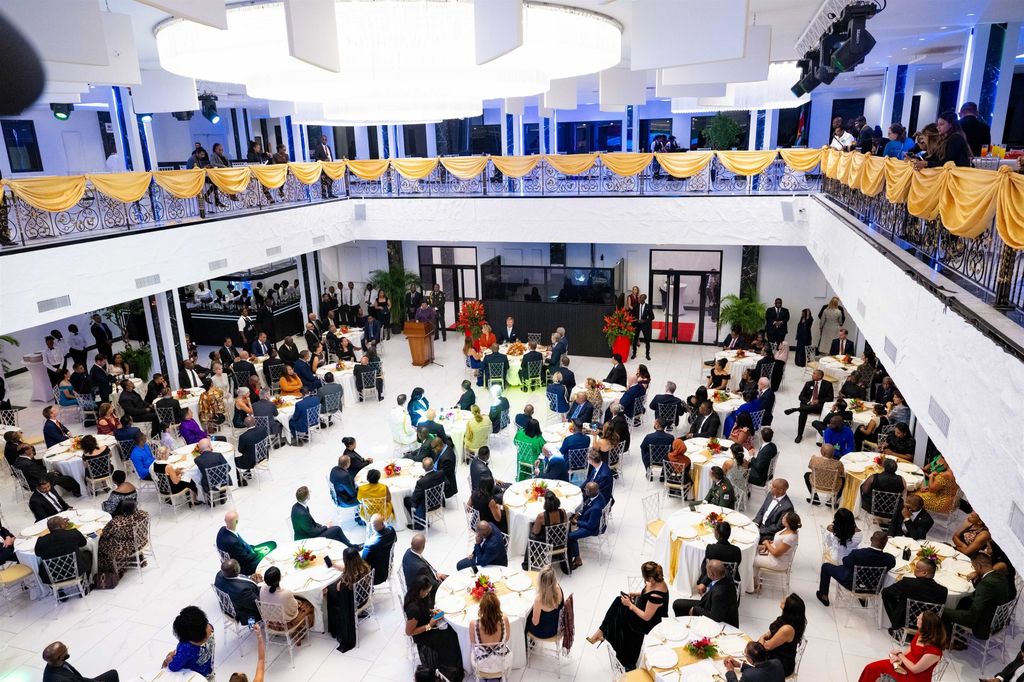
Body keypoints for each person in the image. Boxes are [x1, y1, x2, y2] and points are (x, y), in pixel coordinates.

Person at [586, 561, 669, 670]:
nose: (645, 581)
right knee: (619, 604)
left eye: (646, 579)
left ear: (650, 578)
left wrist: (630, 604)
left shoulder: (656, 595)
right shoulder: (655, 580)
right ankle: (602, 632)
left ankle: (602, 632)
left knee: (619, 605)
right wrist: (635, 594)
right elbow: (646, 593)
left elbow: (646, 617)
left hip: (647, 624)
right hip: (642, 613)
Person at [404, 575, 465, 681]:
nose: (428, 594)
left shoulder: (419, 597)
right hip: (422, 633)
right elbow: (410, 632)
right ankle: (451, 668)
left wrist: (432, 612)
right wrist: (430, 625)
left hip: (428, 623)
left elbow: (424, 610)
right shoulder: (413, 609)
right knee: (450, 638)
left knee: (451, 631)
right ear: (420, 591)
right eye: (427, 592)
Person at [858, 611, 946, 682]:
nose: (917, 617)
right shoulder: (921, 633)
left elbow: (915, 669)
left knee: (877, 671)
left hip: (915, 677)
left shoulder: (934, 651)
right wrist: (897, 659)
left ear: (926, 624)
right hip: (903, 666)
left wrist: (900, 654)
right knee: (871, 668)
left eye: (920, 618)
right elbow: (911, 648)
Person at [816, 530, 896, 607]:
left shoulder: (858, 554)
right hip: (873, 588)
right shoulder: (890, 559)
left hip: (852, 584)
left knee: (826, 566)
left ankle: (824, 596)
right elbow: (890, 565)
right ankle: (863, 598)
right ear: (885, 543)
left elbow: (845, 562)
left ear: (871, 539)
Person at [880, 557, 948, 635]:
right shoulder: (943, 591)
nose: (914, 569)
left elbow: (886, 592)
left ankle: (897, 625)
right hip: (928, 624)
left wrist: (898, 603)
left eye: (917, 567)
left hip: (905, 620)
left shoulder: (907, 583)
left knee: (887, 595)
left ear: (924, 573)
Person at [672, 559, 738, 626]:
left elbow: (716, 618)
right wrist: (703, 584)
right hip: (710, 603)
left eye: (707, 571)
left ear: (712, 574)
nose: (706, 573)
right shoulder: (723, 572)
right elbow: (711, 574)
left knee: (678, 606)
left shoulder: (719, 593)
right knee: (677, 604)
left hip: (719, 617)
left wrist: (696, 609)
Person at [95, 498, 149, 577]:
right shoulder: (143, 514)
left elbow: (105, 533)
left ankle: (108, 568)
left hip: (125, 548)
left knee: (100, 544)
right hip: (141, 541)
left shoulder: (117, 522)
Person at [749, 512, 801, 594]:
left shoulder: (790, 538)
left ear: (787, 523)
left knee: (752, 560)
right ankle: (755, 580)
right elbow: (778, 542)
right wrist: (769, 543)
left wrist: (766, 543)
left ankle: (753, 585)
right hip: (774, 552)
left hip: (778, 561)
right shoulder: (787, 529)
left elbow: (776, 553)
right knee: (753, 550)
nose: (782, 517)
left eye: (784, 517)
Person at [290, 486, 357, 547]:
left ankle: (348, 548)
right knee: (337, 529)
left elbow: (311, 523)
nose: (310, 492)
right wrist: (326, 526)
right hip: (308, 540)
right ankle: (351, 547)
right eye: (309, 493)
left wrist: (321, 527)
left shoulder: (297, 506)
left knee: (336, 536)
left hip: (307, 534)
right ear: (307, 498)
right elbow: (313, 532)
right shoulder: (302, 514)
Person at [162, 606, 215, 679]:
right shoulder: (211, 628)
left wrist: (169, 658)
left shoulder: (186, 647)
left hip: (195, 676)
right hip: (208, 669)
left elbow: (174, 667)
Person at [35, 515, 90, 583]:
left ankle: (57, 588)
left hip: (52, 575)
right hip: (77, 570)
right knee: (88, 553)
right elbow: (83, 543)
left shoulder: (41, 541)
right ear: (62, 525)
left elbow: (38, 554)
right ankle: (89, 580)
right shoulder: (73, 533)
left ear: (49, 528)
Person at [785, 369, 834, 443]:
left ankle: (795, 409)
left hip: (818, 405)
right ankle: (799, 435)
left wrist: (819, 401)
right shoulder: (808, 383)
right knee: (803, 413)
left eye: (814, 373)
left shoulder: (828, 384)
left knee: (806, 409)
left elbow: (830, 398)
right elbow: (801, 396)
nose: (812, 375)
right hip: (807, 404)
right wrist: (808, 402)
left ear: (819, 376)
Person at [567, 481, 607, 570]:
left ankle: (578, 560)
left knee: (570, 536)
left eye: (586, 490)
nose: (584, 490)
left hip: (593, 528)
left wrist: (577, 522)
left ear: (591, 492)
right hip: (590, 518)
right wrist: (579, 514)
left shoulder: (596, 508)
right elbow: (586, 505)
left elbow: (590, 526)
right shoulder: (597, 495)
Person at [41, 641, 119, 682]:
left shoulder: (57, 663)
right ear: (60, 657)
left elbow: (78, 678)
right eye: (65, 650)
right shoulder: (59, 679)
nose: (67, 650)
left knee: (112, 674)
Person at [404, 456, 446, 530]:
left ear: (423, 467)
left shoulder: (421, 482)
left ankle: (418, 524)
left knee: (406, 500)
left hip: (426, 506)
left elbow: (414, 499)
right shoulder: (441, 473)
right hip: (438, 502)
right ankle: (424, 520)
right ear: (433, 465)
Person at [526, 566, 564, 641]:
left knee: (524, 621)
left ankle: (526, 645)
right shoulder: (558, 588)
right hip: (557, 626)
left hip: (545, 632)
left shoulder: (539, 599)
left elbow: (535, 623)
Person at [360, 514, 397, 584]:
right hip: (388, 566)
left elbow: (363, 561)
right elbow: (395, 539)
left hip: (375, 576)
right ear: (383, 523)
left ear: (372, 526)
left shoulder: (369, 545)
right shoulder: (391, 530)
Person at [630, 293, 654, 360]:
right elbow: (632, 315)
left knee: (647, 340)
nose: (639, 299)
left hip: (645, 325)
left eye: (641, 297)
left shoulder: (648, 307)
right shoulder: (636, 306)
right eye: (639, 297)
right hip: (637, 325)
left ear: (644, 299)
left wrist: (644, 320)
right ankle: (634, 353)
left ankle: (647, 354)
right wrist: (636, 320)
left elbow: (652, 317)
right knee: (635, 340)